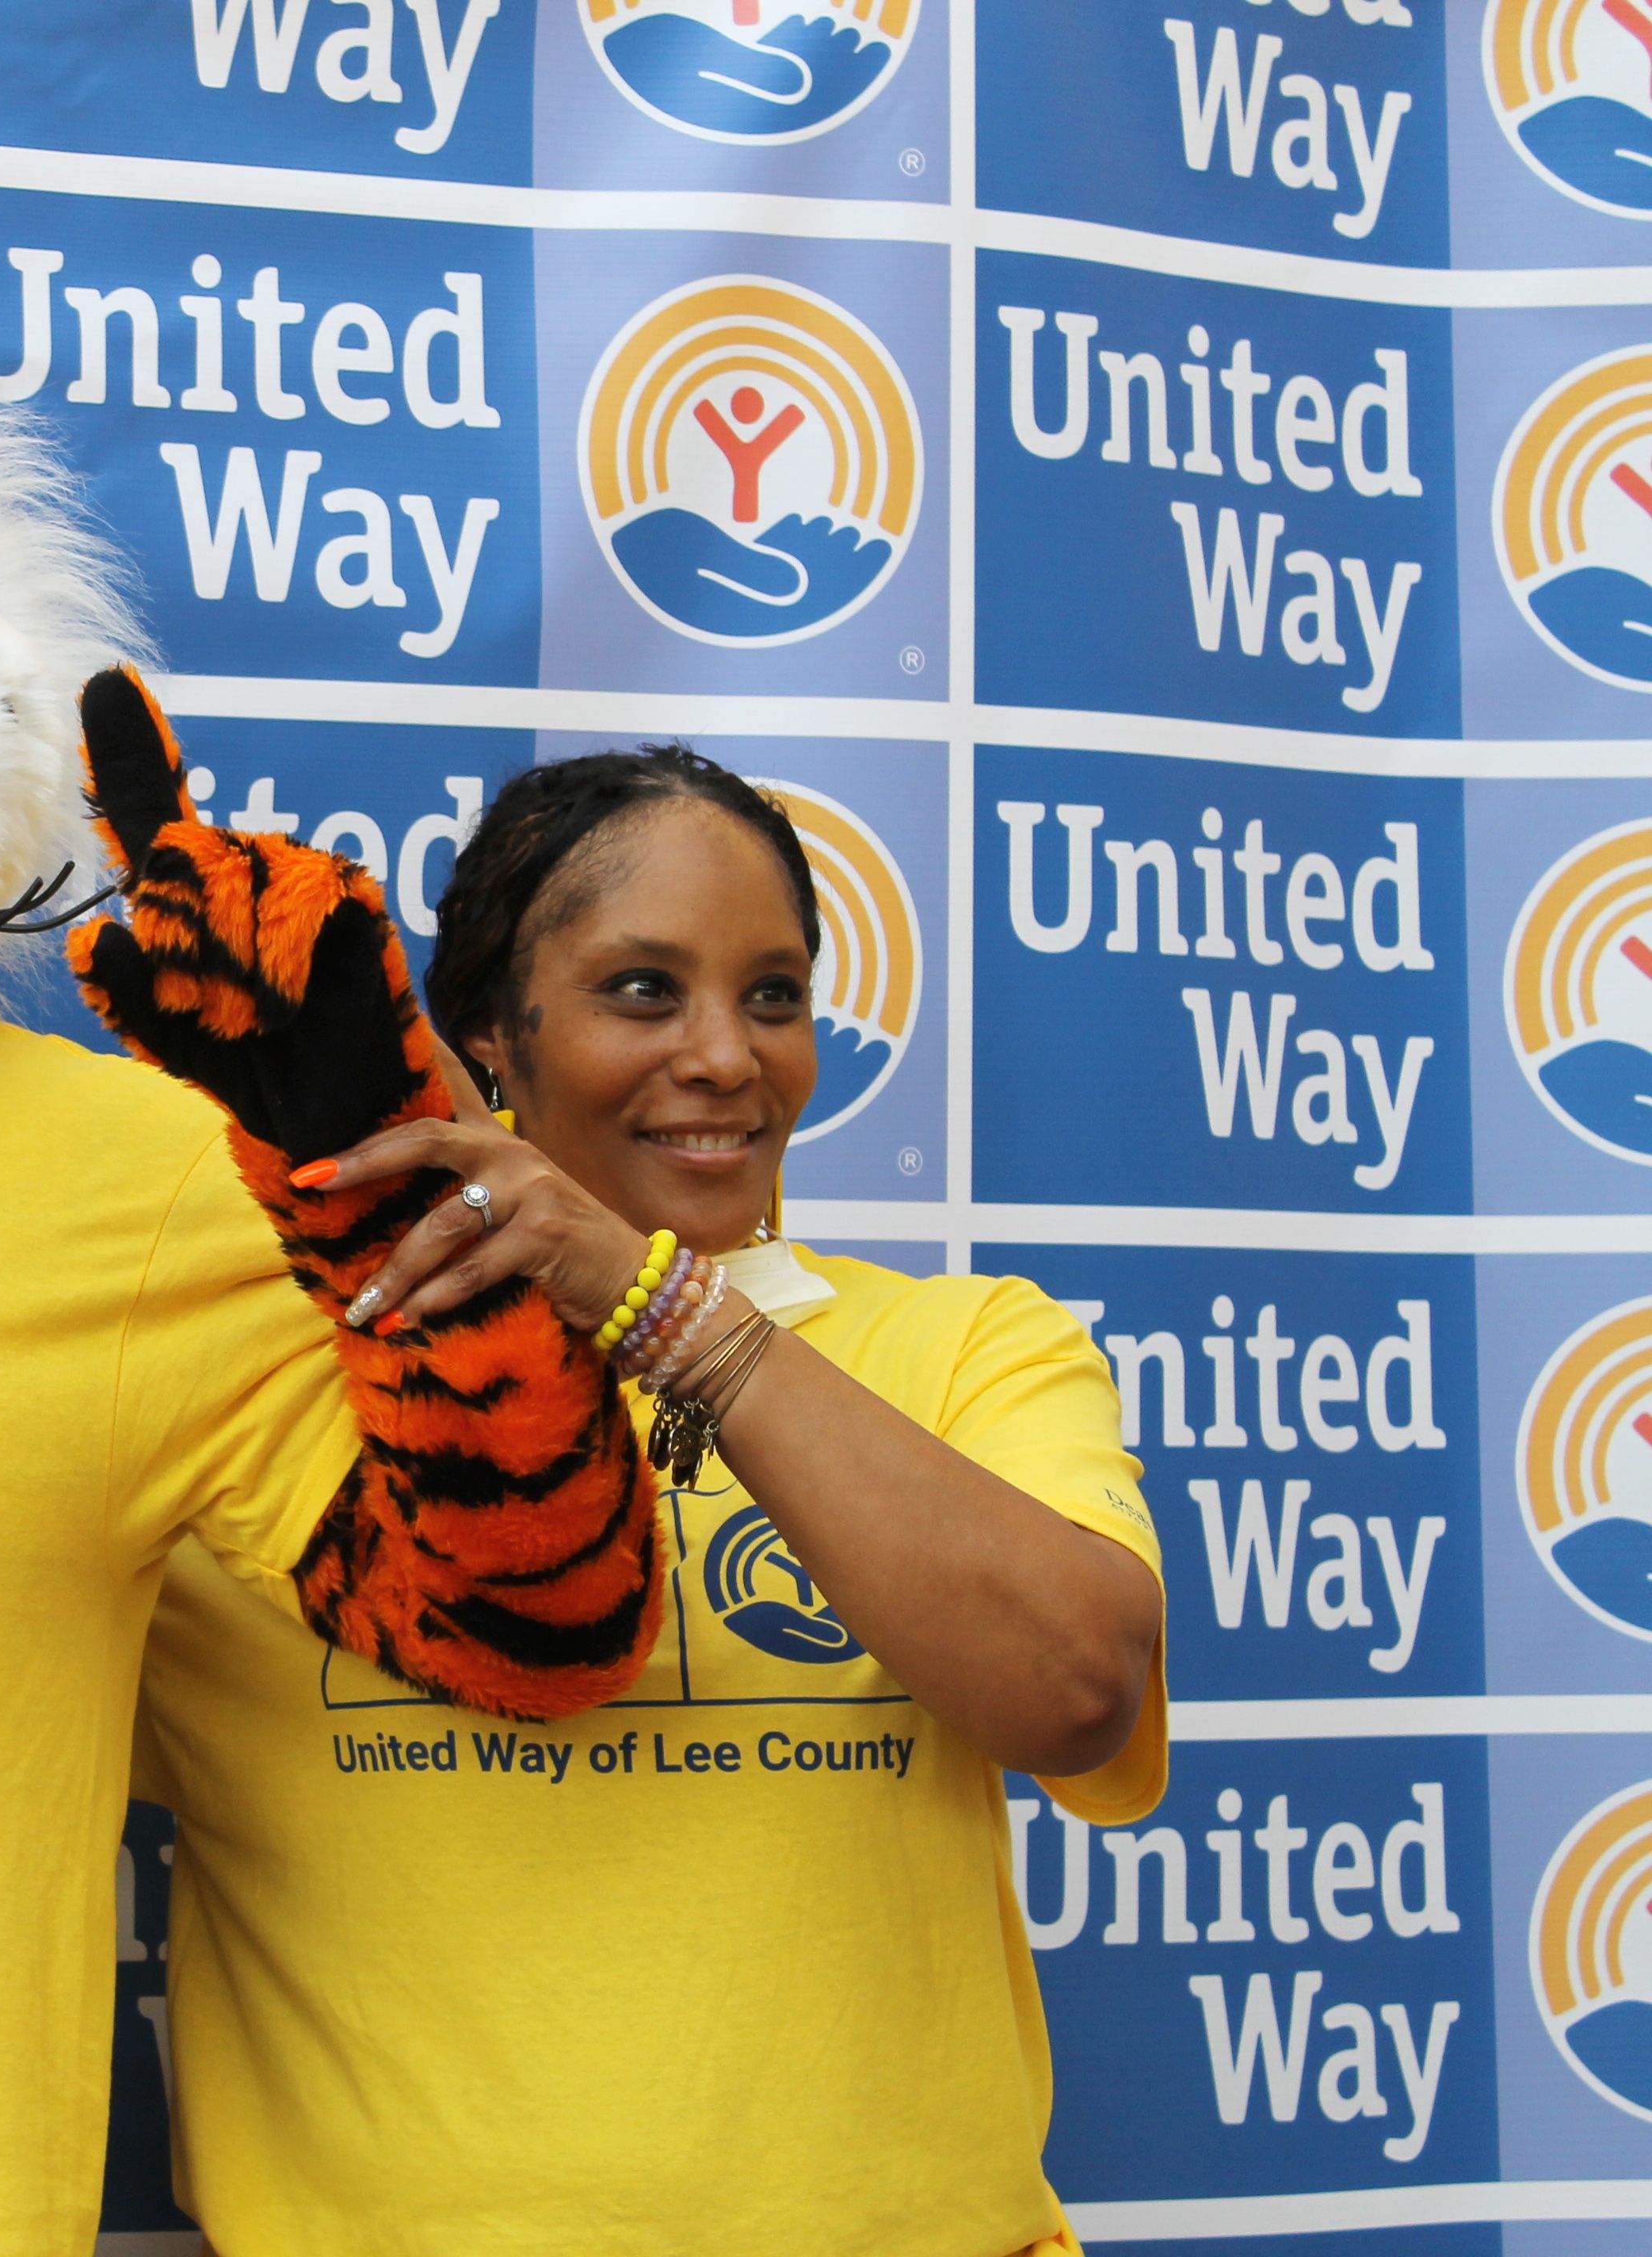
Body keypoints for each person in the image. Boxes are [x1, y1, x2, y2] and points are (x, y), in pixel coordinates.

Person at [134, 747, 1167, 2257]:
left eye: (772, 994)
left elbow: (1077, 1689)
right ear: (490, 1034)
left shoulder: (961, 1349)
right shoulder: (259, 1388)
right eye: (642, 991)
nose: (726, 1057)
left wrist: (663, 1313)